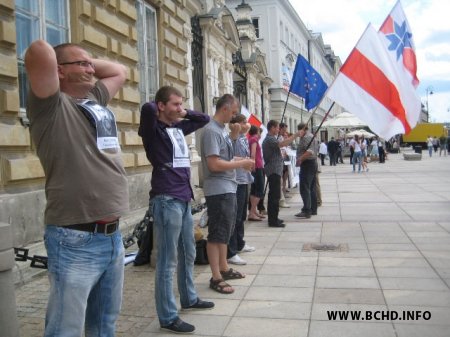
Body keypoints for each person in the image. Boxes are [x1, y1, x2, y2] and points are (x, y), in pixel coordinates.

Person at [25, 40, 128, 336]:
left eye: (90, 64)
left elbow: (119, 72)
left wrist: (82, 62)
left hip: (112, 237)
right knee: (65, 330)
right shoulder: (51, 105)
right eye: (81, 64)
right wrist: (66, 63)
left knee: (104, 325)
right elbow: (39, 51)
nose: (90, 69)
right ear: (59, 72)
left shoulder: (94, 100)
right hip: (74, 237)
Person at [139, 86, 213, 334]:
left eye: (182, 105)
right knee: (167, 261)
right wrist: (163, 106)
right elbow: (147, 108)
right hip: (166, 198)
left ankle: (189, 297)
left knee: (188, 252)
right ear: (161, 106)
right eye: (175, 104)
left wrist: (181, 110)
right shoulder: (153, 131)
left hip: (183, 197)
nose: (181, 109)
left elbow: (204, 118)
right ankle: (168, 316)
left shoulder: (178, 128)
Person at [200, 94, 255, 294]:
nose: (234, 117)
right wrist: (241, 163)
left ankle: (223, 267)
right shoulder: (211, 131)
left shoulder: (221, 130)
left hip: (228, 186)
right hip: (218, 189)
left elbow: (226, 156)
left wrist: (240, 158)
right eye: (232, 112)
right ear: (224, 108)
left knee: (225, 231)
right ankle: (216, 277)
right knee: (217, 234)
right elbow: (214, 164)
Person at [227, 114, 256, 266]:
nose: (247, 124)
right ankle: (231, 251)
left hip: (244, 179)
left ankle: (240, 243)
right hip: (236, 180)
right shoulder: (233, 138)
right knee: (235, 217)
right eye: (244, 122)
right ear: (236, 125)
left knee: (241, 216)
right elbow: (232, 157)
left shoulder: (243, 138)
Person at [262, 120, 300, 227]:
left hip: (275, 170)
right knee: (274, 196)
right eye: (277, 128)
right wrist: (295, 136)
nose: (279, 130)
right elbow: (282, 143)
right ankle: (272, 221)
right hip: (273, 170)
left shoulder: (272, 138)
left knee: (275, 195)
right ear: (272, 128)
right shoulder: (269, 139)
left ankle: (274, 217)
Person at [295, 123, 318, 219]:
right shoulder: (309, 136)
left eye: (299, 131)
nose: (298, 133)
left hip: (308, 164)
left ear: (303, 129)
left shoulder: (307, 137)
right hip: (311, 163)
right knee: (311, 187)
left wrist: (300, 159)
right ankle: (312, 209)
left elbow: (310, 151)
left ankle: (307, 210)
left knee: (305, 188)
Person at [248, 125, 265, 220]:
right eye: (259, 131)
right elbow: (253, 154)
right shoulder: (254, 139)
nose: (260, 133)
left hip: (256, 166)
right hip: (257, 167)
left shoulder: (251, 139)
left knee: (254, 190)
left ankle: (253, 211)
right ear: (256, 131)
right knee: (259, 190)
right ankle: (252, 212)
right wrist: (253, 165)